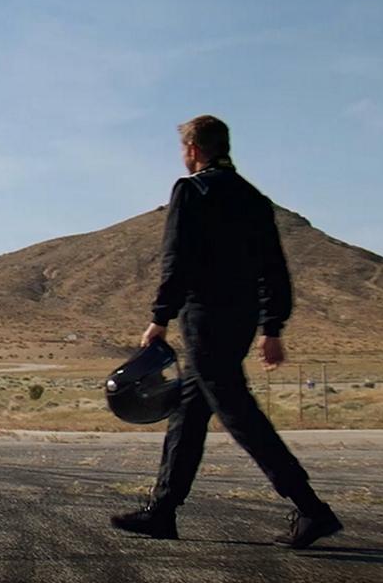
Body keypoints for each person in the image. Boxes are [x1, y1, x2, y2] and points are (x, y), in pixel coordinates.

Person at [111, 115, 342, 549]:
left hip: (204, 322)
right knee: (189, 411)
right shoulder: (254, 198)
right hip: (239, 322)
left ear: (194, 150)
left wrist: (160, 317)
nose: (183, 157)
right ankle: (162, 511)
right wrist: (271, 326)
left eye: (184, 149)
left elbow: (175, 260)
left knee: (240, 416)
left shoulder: (191, 190)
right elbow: (274, 268)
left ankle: (312, 509)